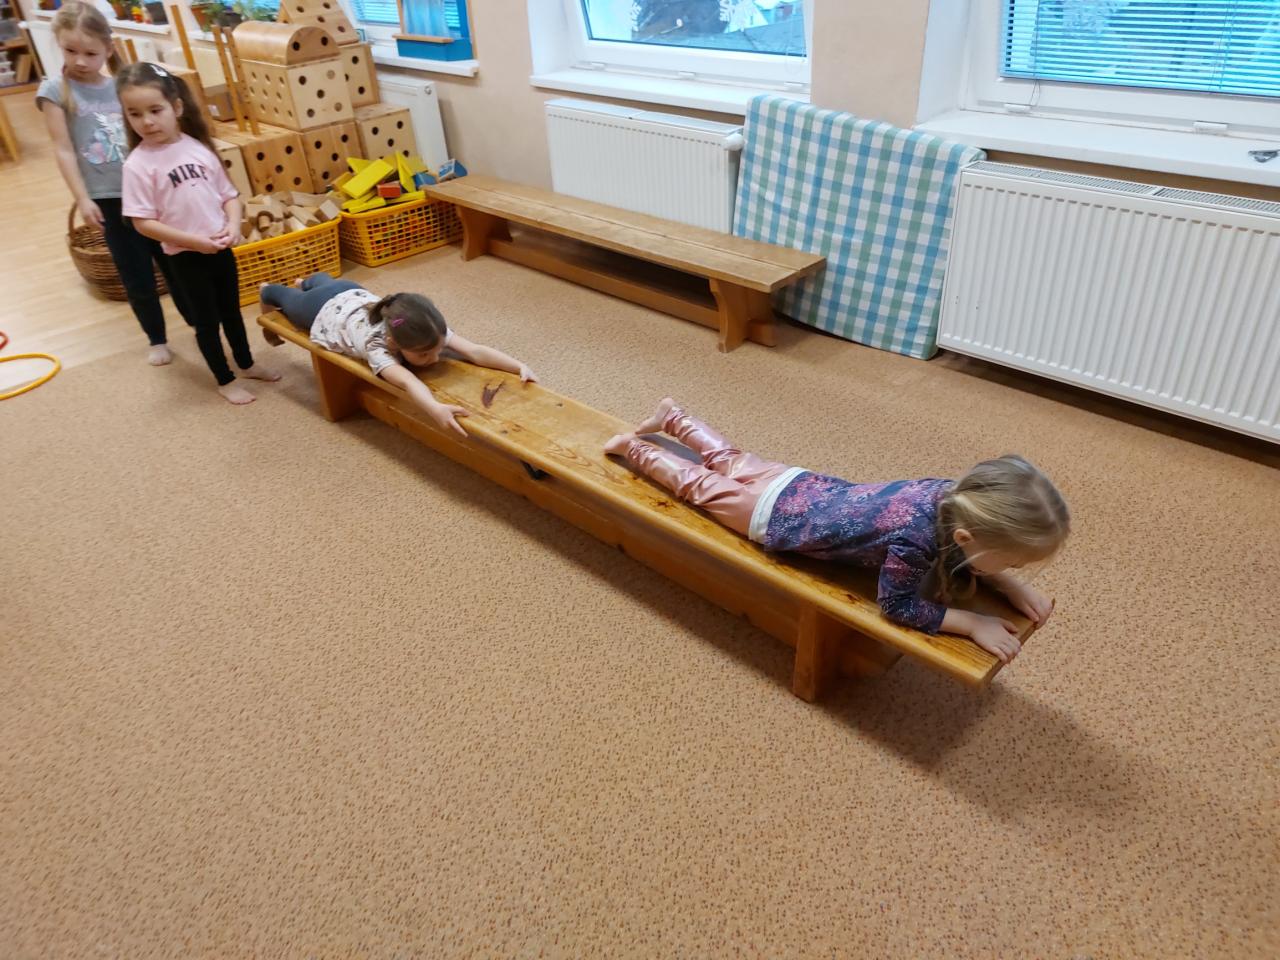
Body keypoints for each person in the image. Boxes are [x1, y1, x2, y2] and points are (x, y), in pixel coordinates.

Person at [605, 399, 1069, 662]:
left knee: (729, 459)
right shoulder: (917, 539)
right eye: (1012, 562)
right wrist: (971, 622)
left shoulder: (954, 495)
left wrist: (1006, 582)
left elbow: (967, 545)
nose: (1013, 568)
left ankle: (674, 415)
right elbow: (897, 605)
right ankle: (634, 448)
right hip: (775, 519)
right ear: (967, 537)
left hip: (802, 484)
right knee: (697, 485)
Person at [37, 2, 190, 366]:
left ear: (109, 48)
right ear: (59, 46)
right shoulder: (55, 90)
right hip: (109, 199)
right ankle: (156, 338)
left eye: (91, 53)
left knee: (176, 265)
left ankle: (199, 323)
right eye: (70, 51)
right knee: (136, 274)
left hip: (152, 193)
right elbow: (63, 149)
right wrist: (82, 198)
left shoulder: (122, 87)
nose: (80, 61)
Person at [118, 62, 277, 405]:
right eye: (135, 114)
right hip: (185, 257)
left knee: (232, 311)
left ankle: (246, 363)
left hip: (220, 247)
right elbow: (142, 222)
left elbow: (229, 195)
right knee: (207, 322)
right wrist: (194, 242)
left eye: (155, 110)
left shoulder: (197, 147)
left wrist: (233, 226)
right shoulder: (137, 166)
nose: (147, 121)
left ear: (176, 108)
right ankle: (225, 379)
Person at [260, 274, 537, 437]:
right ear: (394, 344)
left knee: (325, 282)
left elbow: (474, 350)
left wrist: (517, 365)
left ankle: (309, 281)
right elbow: (408, 382)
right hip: (321, 308)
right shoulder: (377, 347)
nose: (436, 358)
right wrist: (434, 408)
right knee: (286, 299)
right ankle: (271, 289)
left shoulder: (427, 330)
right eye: (425, 355)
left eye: (438, 349)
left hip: (349, 290)